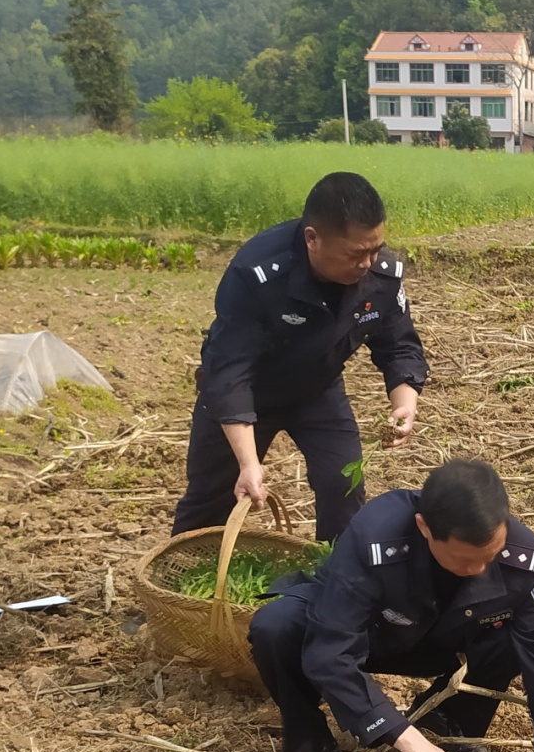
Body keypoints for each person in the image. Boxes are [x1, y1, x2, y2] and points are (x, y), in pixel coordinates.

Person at [247, 458, 534, 752]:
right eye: (465, 560)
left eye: (490, 555)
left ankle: (447, 724)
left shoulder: (524, 558)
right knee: (277, 626)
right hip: (371, 636)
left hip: (444, 641)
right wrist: (405, 738)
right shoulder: (375, 538)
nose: (480, 570)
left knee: (512, 634)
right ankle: (311, 750)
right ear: (424, 528)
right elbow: (331, 651)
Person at [172, 171, 427, 544]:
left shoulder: (381, 276)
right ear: (312, 239)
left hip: (316, 390)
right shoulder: (257, 273)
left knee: (342, 484)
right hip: (243, 394)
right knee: (212, 498)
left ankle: (335, 581)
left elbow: (400, 345)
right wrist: (247, 463)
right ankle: (182, 589)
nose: (368, 262)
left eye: (376, 249)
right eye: (356, 254)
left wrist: (405, 404)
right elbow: (229, 370)